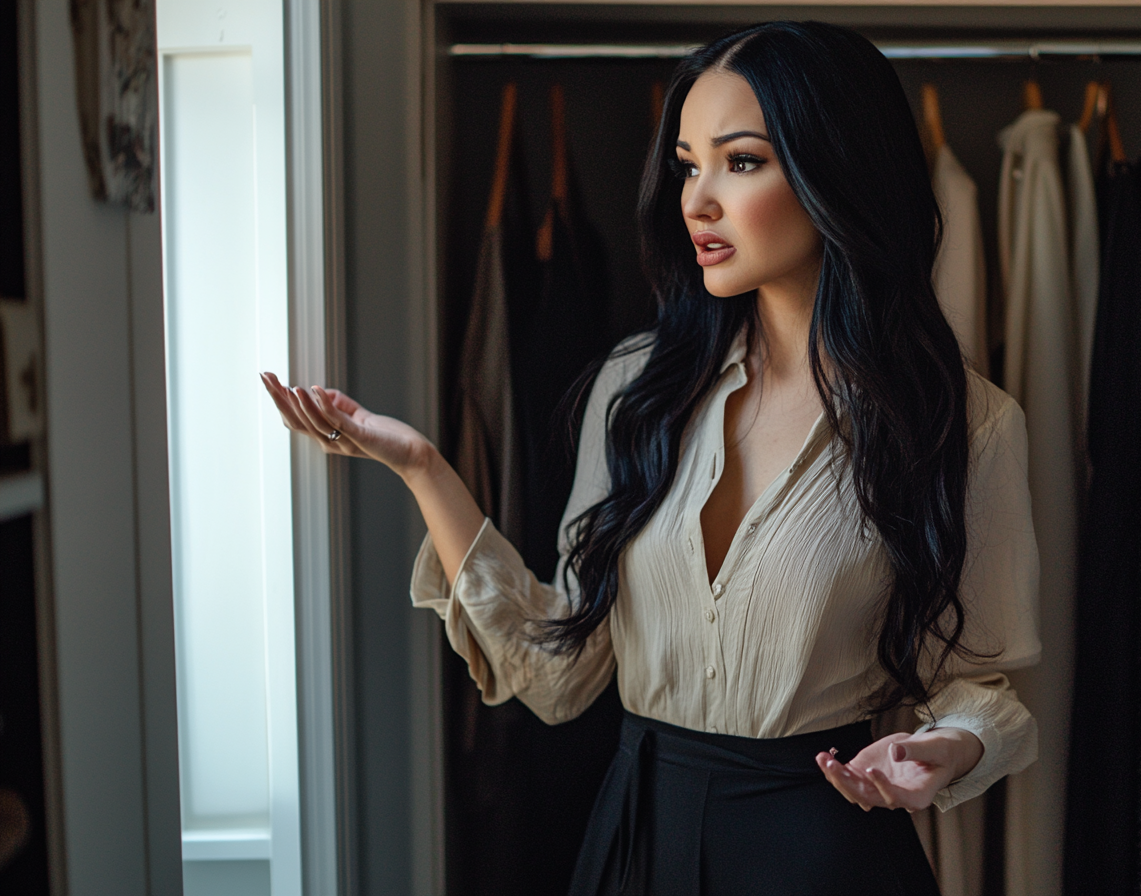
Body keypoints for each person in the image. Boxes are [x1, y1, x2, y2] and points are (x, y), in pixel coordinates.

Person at [263, 20, 1040, 895]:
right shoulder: (639, 388)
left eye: (740, 161)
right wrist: (420, 467)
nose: (697, 200)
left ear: (838, 171)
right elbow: (557, 677)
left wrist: (947, 744)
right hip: (637, 837)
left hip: (824, 850)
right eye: (687, 164)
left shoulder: (961, 425)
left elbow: (983, 685)